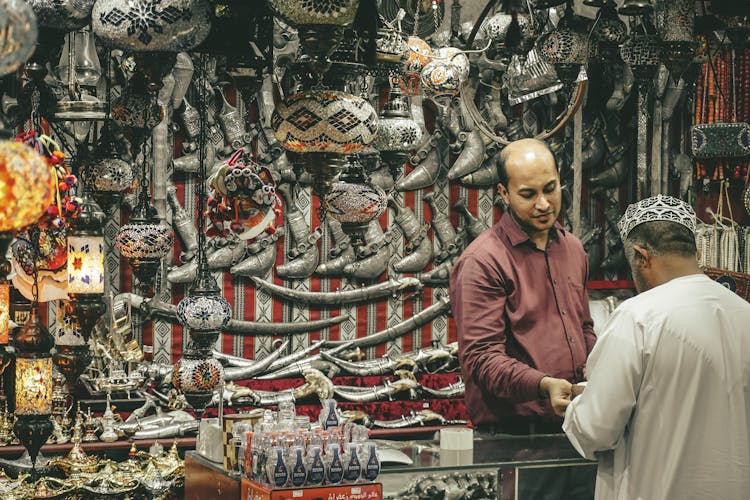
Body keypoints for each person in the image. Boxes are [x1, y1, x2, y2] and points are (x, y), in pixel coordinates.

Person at [559, 195, 750, 500]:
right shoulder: (744, 314)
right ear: (695, 252)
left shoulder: (638, 317)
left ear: (640, 256)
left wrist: (576, 406)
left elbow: (596, 431)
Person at [450, 137, 596, 434]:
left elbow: (583, 328)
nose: (543, 204)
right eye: (528, 194)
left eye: (550, 189)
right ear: (503, 192)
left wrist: (601, 369)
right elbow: (482, 359)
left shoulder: (573, 249)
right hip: (514, 435)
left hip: (577, 425)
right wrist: (543, 386)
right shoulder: (483, 261)